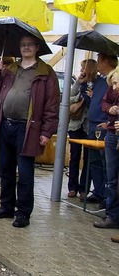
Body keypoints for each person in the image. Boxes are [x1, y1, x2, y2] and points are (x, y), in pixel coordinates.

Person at [0, 35, 59, 228]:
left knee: (25, 173)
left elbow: (52, 106)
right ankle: (6, 207)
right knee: (6, 170)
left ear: (37, 47)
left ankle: (23, 213)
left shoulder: (46, 73)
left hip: (28, 128)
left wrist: (46, 132)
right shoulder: (10, 70)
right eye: (23, 45)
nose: (26, 48)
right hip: (5, 125)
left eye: (30, 45)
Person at [82, 53, 117, 206]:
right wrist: (83, 84)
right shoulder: (99, 81)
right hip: (92, 123)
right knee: (94, 161)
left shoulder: (113, 80)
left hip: (105, 127)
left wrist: (107, 122)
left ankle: (107, 197)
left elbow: (111, 104)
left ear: (104, 62)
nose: (97, 65)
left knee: (106, 164)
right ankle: (98, 192)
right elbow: (97, 102)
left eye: (98, 61)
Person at [67, 59, 97, 198]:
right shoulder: (79, 83)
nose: (81, 71)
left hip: (89, 125)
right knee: (74, 156)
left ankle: (84, 189)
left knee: (88, 158)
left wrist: (91, 96)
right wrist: (80, 92)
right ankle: (72, 187)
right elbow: (68, 98)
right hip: (75, 124)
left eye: (83, 68)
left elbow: (96, 104)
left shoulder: (98, 84)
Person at [95, 68, 119, 230]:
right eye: (113, 83)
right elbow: (104, 102)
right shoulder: (112, 90)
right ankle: (112, 214)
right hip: (112, 135)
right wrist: (109, 108)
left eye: (117, 83)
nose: (115, 86)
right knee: (111, 178)